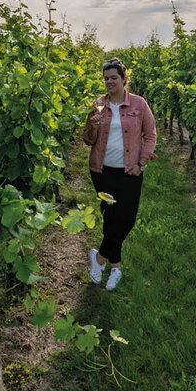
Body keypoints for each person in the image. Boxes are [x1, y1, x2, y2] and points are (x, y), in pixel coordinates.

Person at [82, 57, 157, 290]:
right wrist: (92, 125)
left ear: (124, 79)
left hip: (129, 171)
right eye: (106, 79)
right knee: (111, 219)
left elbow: (151, 134)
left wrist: (141, 163)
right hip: (102, 171)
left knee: (127, 219)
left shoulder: (139, 104)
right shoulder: (98, 104)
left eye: (114, 78)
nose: (109, 82)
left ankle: (99, 258)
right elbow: (87, 140)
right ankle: (115, 268)